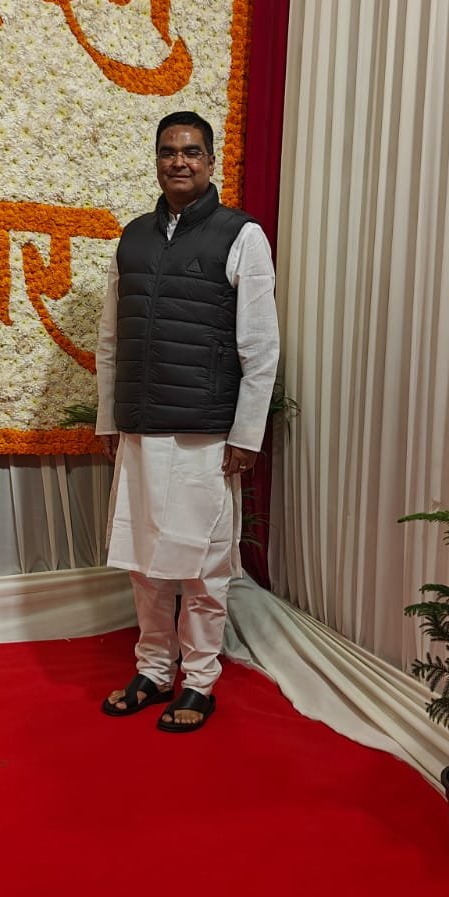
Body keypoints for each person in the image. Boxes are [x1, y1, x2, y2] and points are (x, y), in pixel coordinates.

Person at [95, 110, 280, 731]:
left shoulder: (241, 235)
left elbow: (261, 345)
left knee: (203, 568)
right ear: (157, 160)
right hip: (141, 429)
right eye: (169, 151)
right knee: (145, 563)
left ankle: (199, 681)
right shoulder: (133, 238)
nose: (179, 161)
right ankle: (153, 671)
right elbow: (110, 337)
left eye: (192, 151)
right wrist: (109, 420)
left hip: (205, 433)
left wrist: (247, 435)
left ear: (210, 161)